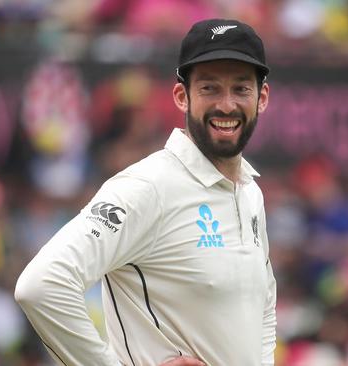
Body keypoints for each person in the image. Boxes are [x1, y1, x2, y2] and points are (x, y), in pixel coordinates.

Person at [15, 18, 276, 366]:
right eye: (210, 88)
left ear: (262, 98)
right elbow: (41, 286)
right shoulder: (148, 187)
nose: (226, 105)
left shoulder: (249, 193)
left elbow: (264, 309)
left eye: (241, 89)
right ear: (182, 97)